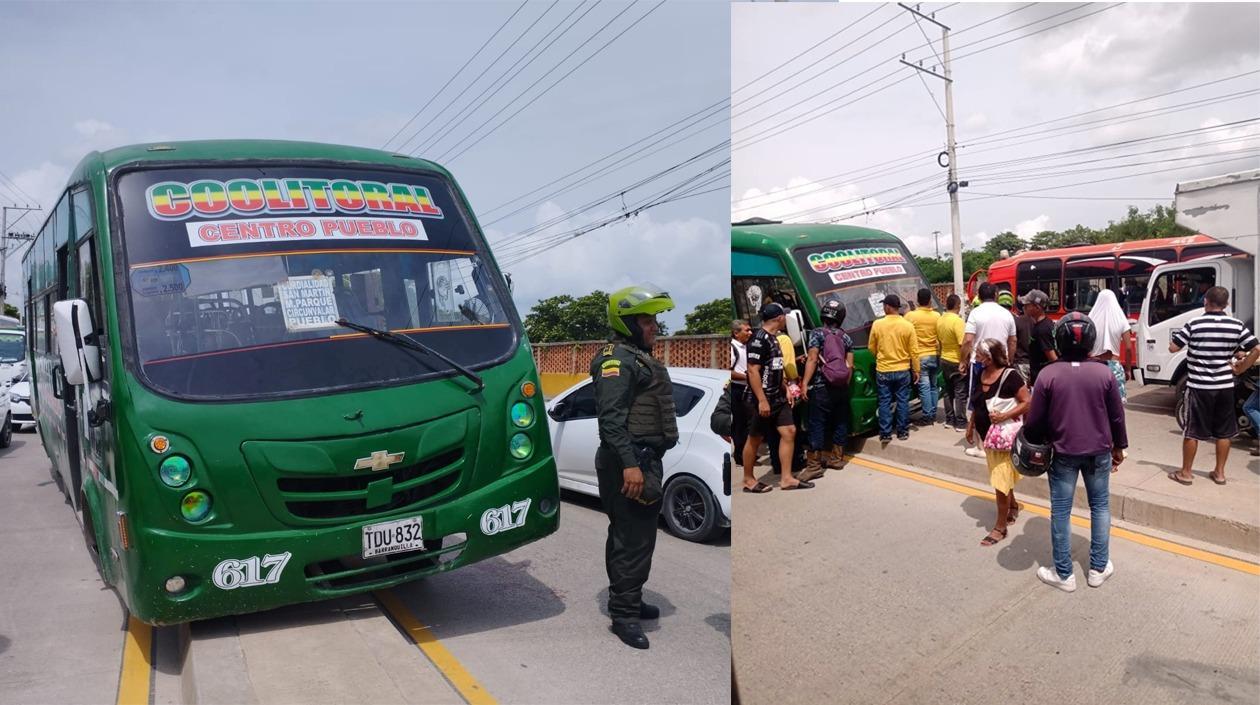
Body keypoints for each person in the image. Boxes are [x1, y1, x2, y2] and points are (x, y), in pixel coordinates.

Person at [590, 284, 679, 648]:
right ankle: (624, 616)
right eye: (646, 321)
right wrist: (630, 465)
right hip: (628, 462)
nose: (654, 326)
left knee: (632, 536)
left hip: (641, 459)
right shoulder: (617, 361)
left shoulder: (635, 357)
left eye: (654, 320)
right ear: (626, 323)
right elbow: (611, 420)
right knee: (632, 541)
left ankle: (629, 599)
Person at [1025, 312, 1128, 592]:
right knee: (1100, 506)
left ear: (1059, 339)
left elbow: (1034, 422)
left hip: (1062, 453)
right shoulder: (1104, 373)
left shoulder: (1048, 374)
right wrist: (1119, 447)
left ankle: (1064, 574)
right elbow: (1117, 417)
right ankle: (1098, 568)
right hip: (1099, 451)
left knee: (1061, 511)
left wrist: (1034, 441)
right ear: (1091, 340)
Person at [1167, 286, 1260, 486]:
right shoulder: (1236, 325)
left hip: (1198, 386)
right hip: (1224, 386)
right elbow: (1256, 348)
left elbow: (1173, 347)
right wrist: (1241, 367)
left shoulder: (1194, 323)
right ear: (1226, 304)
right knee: (1224, 432)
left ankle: (1186, 473)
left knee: (1191, 431)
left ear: (1205, 302)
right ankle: (1219, 473)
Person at [965, 338, 1029, 546]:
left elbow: (1028, 402)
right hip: (988, 438)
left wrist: (1004, 415)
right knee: (1001, 475)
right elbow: (977, 403)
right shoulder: (981, 374)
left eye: (979, 354)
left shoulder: (1011, 376)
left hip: (1005, 439)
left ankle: (1000, 528)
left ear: (990, 357)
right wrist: (971, 426)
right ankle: (1013, 506)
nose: (976, 357)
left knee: (1000, 481)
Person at [742, 303, 812, 492]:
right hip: (760, 399)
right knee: (755, 438)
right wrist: (762, 400)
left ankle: (786, 478)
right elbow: (752, 370)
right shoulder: (759, 339)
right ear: (779, 318)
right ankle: (748, 479)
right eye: (784, 317)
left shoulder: (775, 338)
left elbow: (775, 368)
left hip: (778, 396)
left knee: (789, 431)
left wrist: (785, 388)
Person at [801, 299, 854, 481]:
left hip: (821, 385)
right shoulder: (846, 337)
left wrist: (804, 383)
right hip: (841, 387)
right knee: (840, 421)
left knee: (817, 423)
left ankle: (814, 466)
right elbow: (850, 366)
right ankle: (837, 459)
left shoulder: (817, 334)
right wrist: (844, 383)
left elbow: (812, 359)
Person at [869, 294, 919, 442]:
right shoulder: (907, 325)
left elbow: (871, 347)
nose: (883, 308)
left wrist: (880, 355)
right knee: (902, 400)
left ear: (888, 307)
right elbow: (914, 351)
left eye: (884, 305)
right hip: (902, 369)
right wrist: (916, 370)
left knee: (884, 401)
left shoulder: (877, 324)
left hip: (883, 369)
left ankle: (885, 433)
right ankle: (902, 431)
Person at [960, 283, 1017, 411]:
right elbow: (1013, 341)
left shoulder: (975, 313)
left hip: (979, 362)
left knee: (977, 400)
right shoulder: (1007, 314)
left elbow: (968, 340)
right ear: (996, 295)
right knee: (1000, 399)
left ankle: (976, 422)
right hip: (1000, 362)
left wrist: (963, 361)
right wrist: (1009, 360)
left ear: (979, 297)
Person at [905, 288, 942, 426]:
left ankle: (927, 415)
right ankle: (933, 412)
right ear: (930, 300)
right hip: (935, 354)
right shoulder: (937, 316)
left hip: (920, 356)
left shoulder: (910, 316)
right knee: (933, 385)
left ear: (917, 300)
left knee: (924, 387)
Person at [1088, 289, 1129, 403]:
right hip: (1114, 367)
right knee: (1116, 406)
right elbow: (1128, 348)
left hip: (1094, 367)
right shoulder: (1121, 320)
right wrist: (1128, 370)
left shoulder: (1090, 320)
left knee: (1095, 404)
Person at [937, 294, 967, 431]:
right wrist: (964, 361)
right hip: (956, 360)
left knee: (948, 391)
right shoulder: (957, 321)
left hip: (944, 359)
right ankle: (960, 422)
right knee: (960, 393)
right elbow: (962, 344)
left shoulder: (940, 320)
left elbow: (939, 341)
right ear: (958, 305)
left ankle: (949, 420)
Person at [1020, 289, 1058, 386]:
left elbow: (1053, 358)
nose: (1024, 307)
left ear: (1037, 307)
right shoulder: (1046, 323)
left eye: (1027, 305)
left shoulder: (1042, 329)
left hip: (1043, 380)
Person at [730, 320, 752, 473]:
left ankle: (747, 452)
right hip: (738, 389)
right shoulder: (732, 348)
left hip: (746, 387)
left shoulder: (745, 347)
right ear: (736, 333)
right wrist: (747, 377)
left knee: (748, 422)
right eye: (747, 330)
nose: (750, 333)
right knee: (740, 423)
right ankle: (740, 456)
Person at [1000, 291, 1032, 386]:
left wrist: (1010, 361)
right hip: (1032, 363)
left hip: (1019, 363)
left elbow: (1012, 342)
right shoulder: (1039, 322)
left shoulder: (1015, 321)